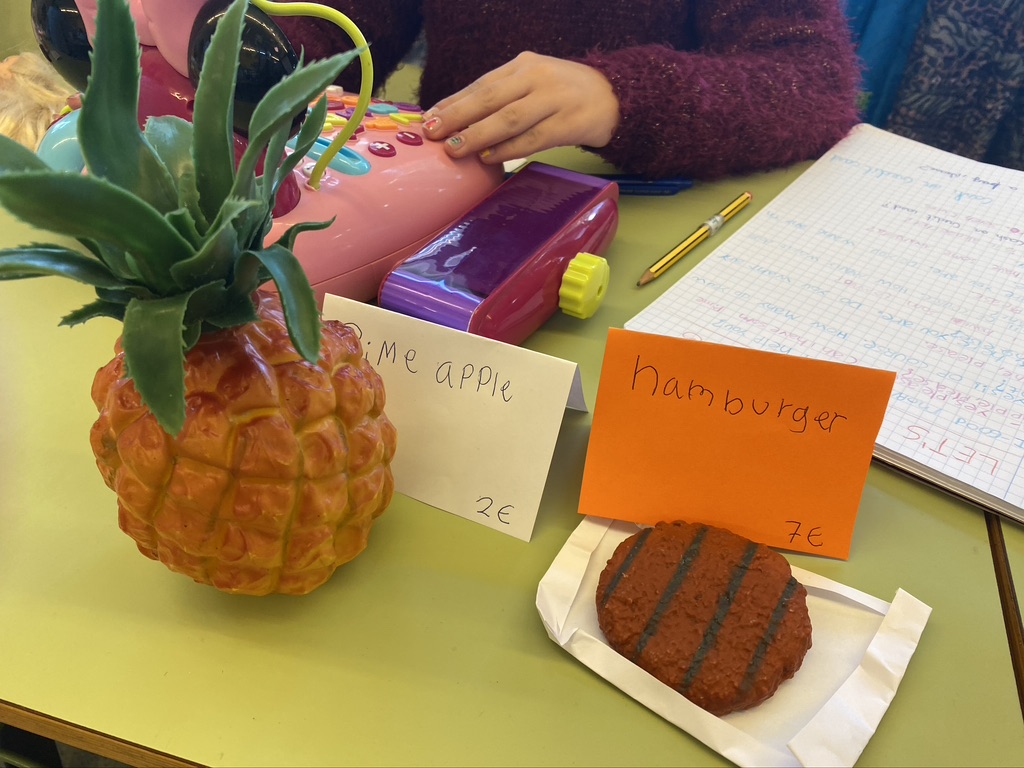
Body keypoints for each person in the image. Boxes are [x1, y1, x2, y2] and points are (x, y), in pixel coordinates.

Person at [274, 0, 863, 180]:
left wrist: (620, 96)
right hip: (442, 186)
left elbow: (816, 77)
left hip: (634, 205)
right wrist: (255, 52)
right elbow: (346, 24)